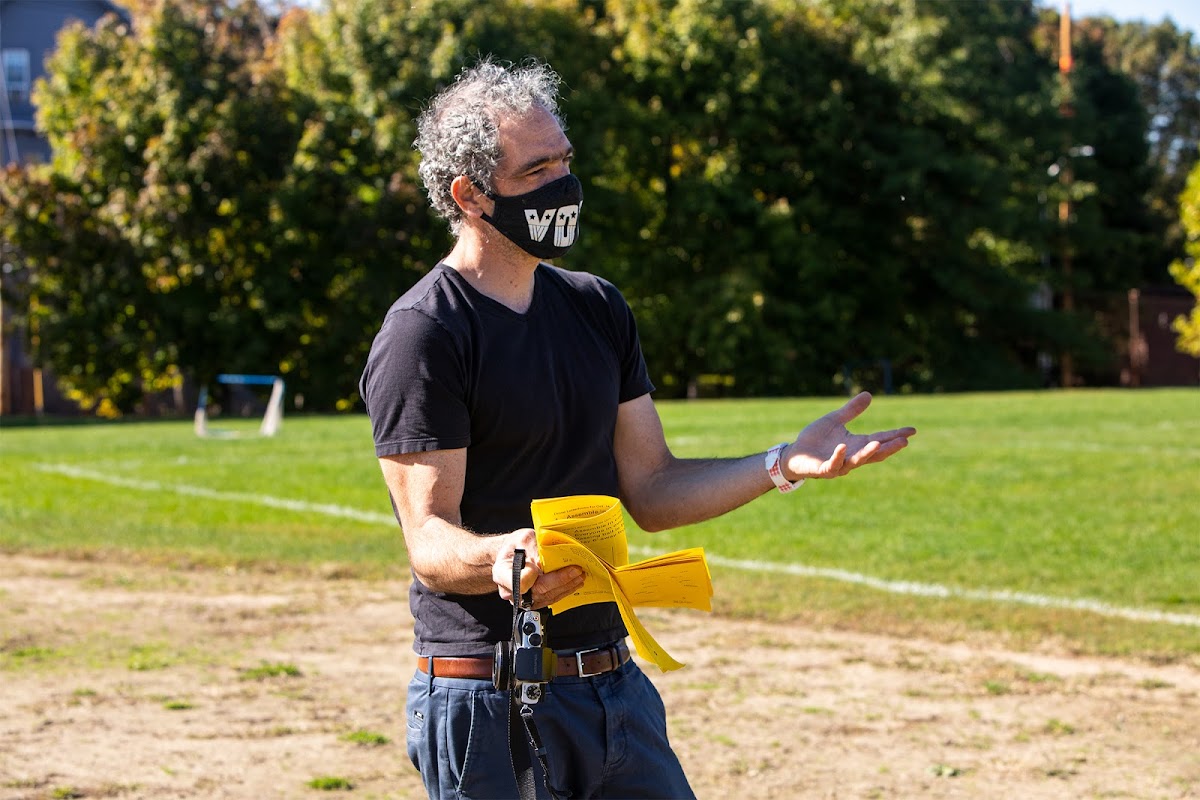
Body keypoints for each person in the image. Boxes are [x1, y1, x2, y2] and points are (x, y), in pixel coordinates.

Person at [360, 58, 916, 800]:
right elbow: (429, 537)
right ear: (471, 195)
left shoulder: (596, 307)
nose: (563, 183)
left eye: (565, 159)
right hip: (488, 697)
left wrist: (784, 462)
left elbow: (651, 488)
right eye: (537, 169)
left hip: (613, 688)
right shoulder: (426, 331)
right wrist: (501, 557)